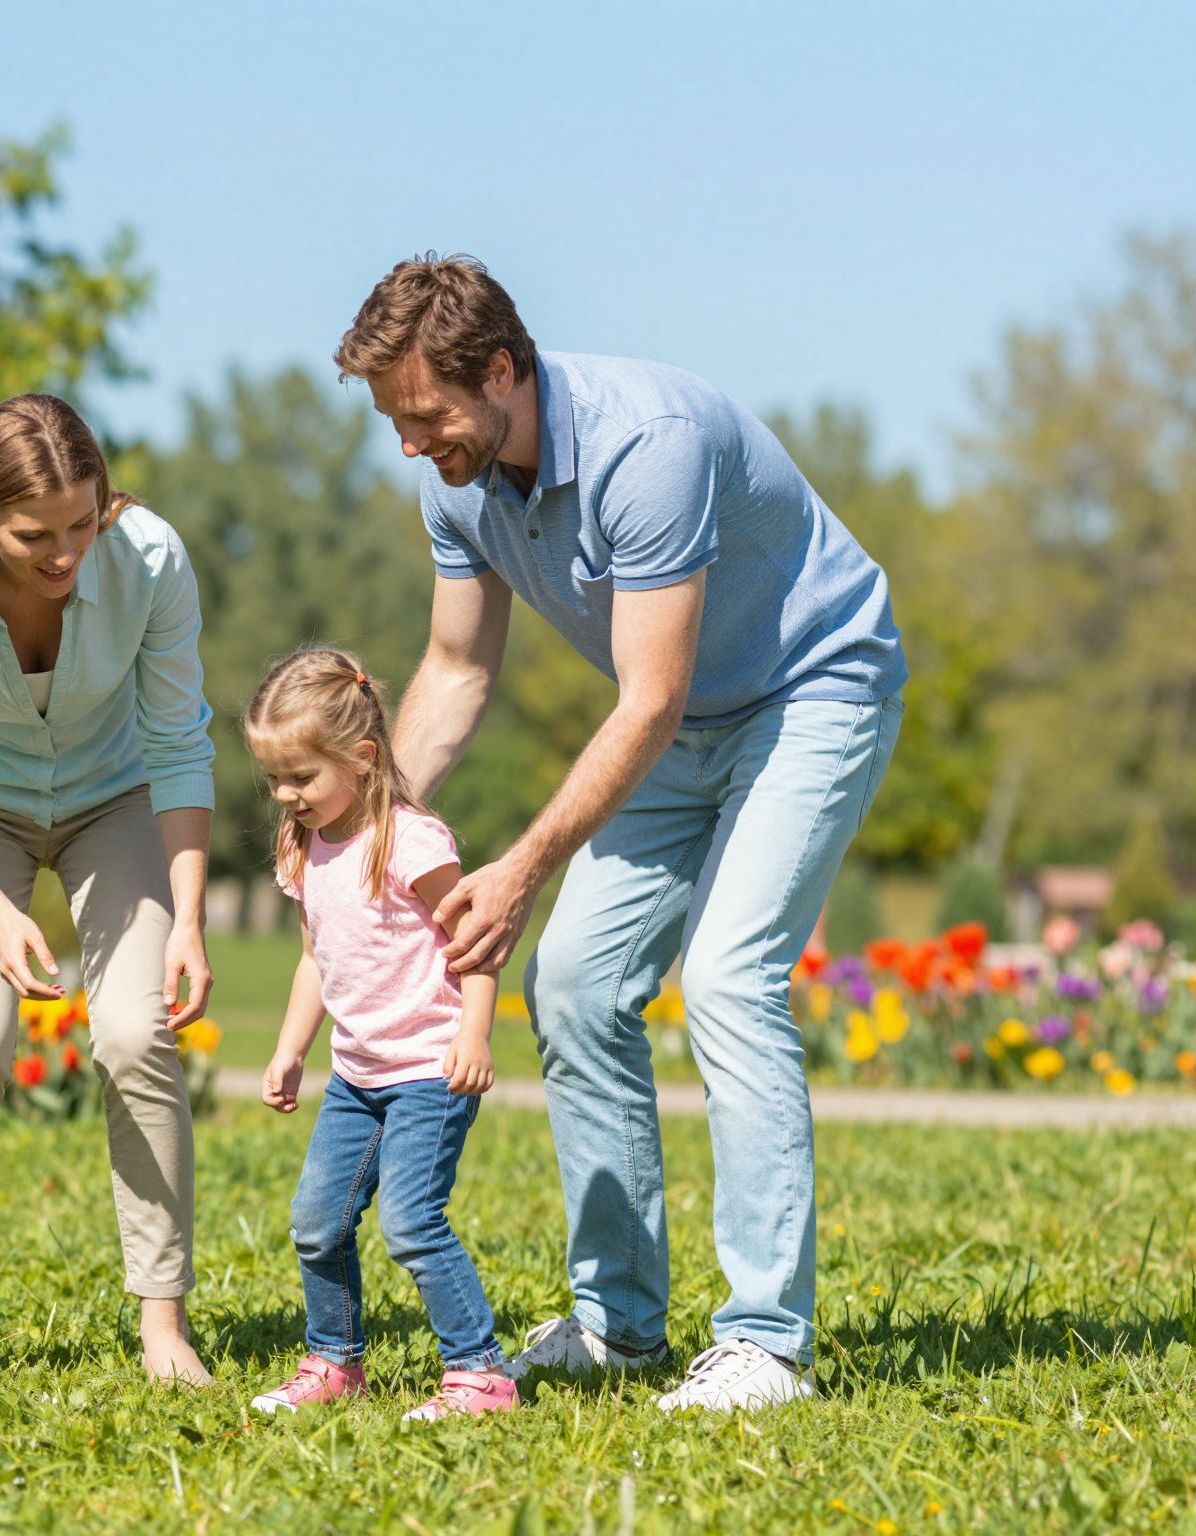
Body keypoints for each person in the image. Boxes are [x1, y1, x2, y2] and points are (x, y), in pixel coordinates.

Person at [335, 255, 906, 1412]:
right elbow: (453, 670)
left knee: (728, 977)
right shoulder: (454, 476)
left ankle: (764, 1342)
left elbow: (644, 697)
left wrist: (521, 867)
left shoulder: (650, 444)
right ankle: (618, 1325)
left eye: (427, 414)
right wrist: (363, 820)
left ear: (500, 368)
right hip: (682, 719)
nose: (410, 444)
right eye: (392, 420)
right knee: (576, 985)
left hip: (809, 691)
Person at [0, 394, 216, 1384]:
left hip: (116, 803)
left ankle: (162, 1326)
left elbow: (179, 740)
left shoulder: (147, 558)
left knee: (135, 1034)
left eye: (80, 524)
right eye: (33, 536)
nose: (64, 553)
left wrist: (187, 918)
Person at [243, 647, 515, 1422]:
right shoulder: (304, 846)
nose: (286, 796)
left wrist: (475, 1033)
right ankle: (334, 1361)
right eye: (275, 780)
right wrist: (292, 1049)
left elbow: (478, 942)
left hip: (431, 1069)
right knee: (315, 1224)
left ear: (362, 759)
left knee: (411, 1222)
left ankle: (480, 1376)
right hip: (357, 1078)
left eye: (301, 777)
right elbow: (314, 960)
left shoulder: (414, 842)